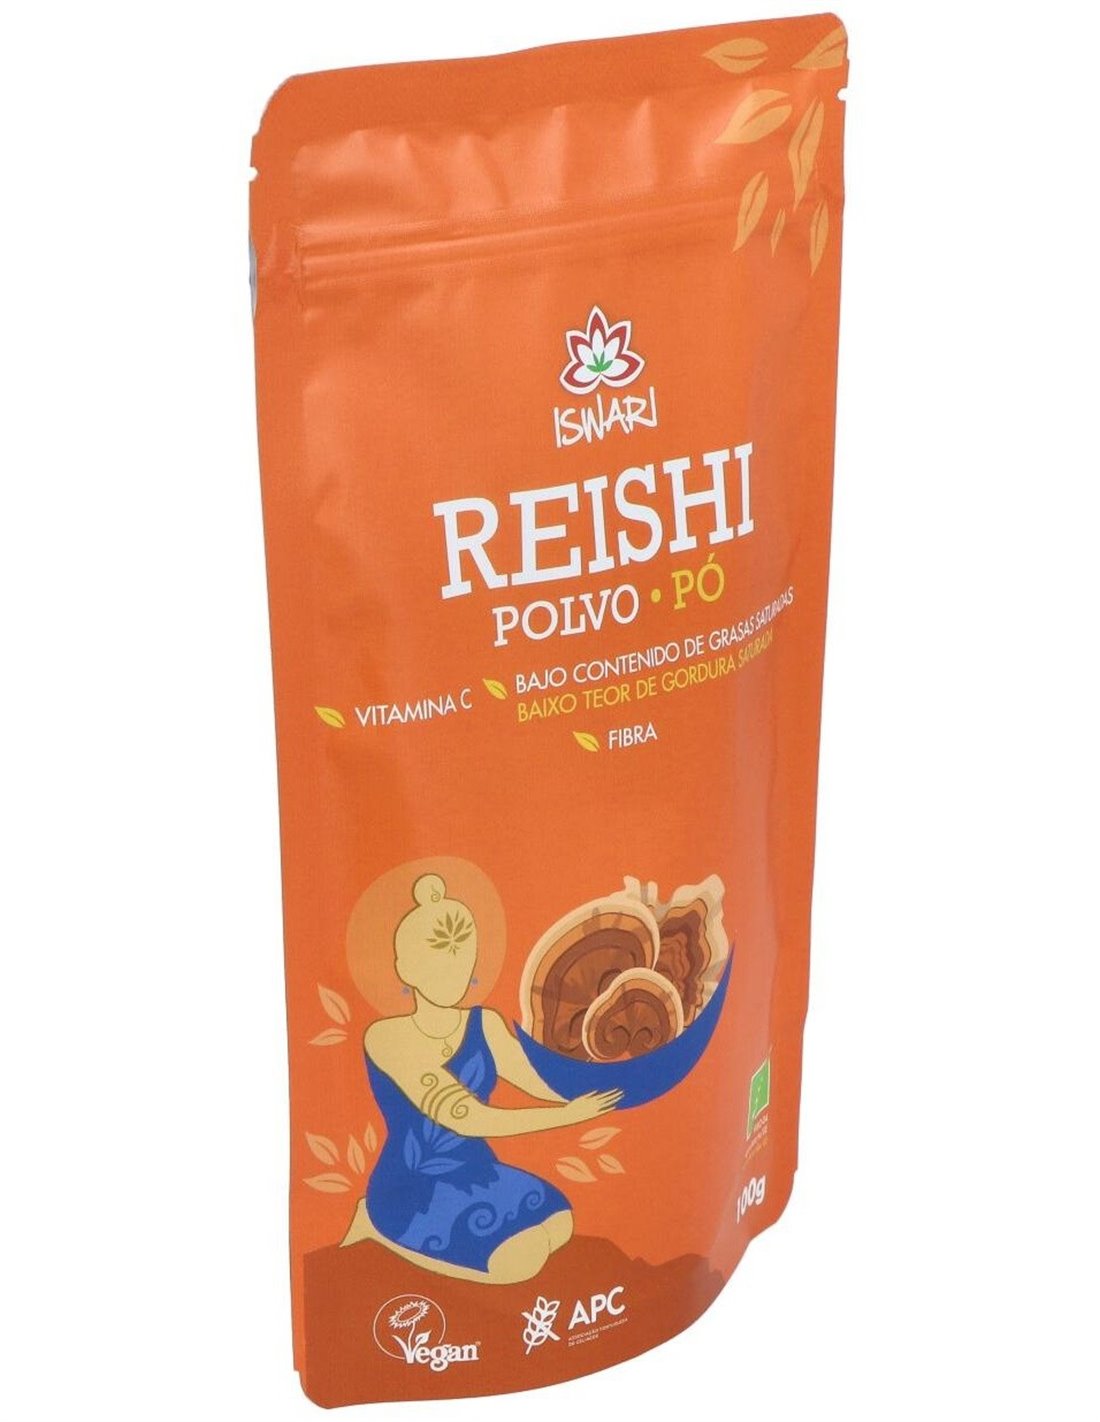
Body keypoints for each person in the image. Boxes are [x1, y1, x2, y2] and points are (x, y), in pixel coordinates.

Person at [341, 873, 621, 1283]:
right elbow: (465, 1116)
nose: (454, 974)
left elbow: (537, 1079)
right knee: (521, 1261)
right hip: (412, 1187)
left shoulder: (484, 1023)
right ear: (406, 969)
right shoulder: (386, 1037)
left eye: (462, 959)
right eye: (439, 963)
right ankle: (374, 1225)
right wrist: (567, 1116)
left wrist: (612, 1076)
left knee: (559, 1222)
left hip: (478, 1170)